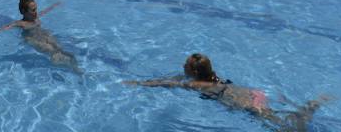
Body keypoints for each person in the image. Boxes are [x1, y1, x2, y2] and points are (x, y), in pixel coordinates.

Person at [124, 53, 330, 132]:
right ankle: (308, 109)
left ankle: (308, 111)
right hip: (251, 93)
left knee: (283, 128)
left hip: (242, 101)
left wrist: (139, 84)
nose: (182, 65)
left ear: (194, 71)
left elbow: (168, 84)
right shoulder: (213, 76)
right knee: (277, 120)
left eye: (185, 64)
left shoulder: (197, 85)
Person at [0, 0, 82, 73]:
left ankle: (75, 68)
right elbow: (1, 29)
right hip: (31, 39)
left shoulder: (37, 17)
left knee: (60, 48)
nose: (36, 12)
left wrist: (55, 5)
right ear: (23, 12)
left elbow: (45, 11)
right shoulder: (21, 23)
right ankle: (65, 68)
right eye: (33, 10)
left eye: (36, 9)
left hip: (43, 34)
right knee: (51, 51)